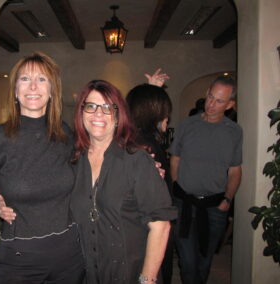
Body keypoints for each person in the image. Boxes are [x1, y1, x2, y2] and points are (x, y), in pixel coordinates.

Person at [0, 52, 85, 284]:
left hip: (70, 257)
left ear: (52, 91)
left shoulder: (65, 135)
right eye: (24, 79)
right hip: (19, 260)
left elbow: (94, 168)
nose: (33, 86)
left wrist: (142, 161)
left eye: (42, 79)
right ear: (15, 90)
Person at [70, 79, 177, 284]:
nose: (98, 114)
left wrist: (147, 279)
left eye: (107, 107)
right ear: (81, 113)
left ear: (119, 116)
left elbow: (160, 225)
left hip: (129, 273)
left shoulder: (137, 160)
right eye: (91, 106)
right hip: (86, 272)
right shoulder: (73, 160)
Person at [169, 75, 242, 284]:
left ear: (229, 105)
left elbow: (235, 171)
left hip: (215, 207)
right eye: (210, 97)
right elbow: (175, 160)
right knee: (188, 263)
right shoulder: (187, 125)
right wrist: (176, 188)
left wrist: (227, 200)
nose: (211, 104)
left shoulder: (234, 132)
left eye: (219, 101)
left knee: (204, 261)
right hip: (185, 204)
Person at [126, 83, 175, 284]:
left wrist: (152, 89)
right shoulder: (145, 146)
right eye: (165, 114)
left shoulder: (137, 139)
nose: (167, 119)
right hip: (149, 226)